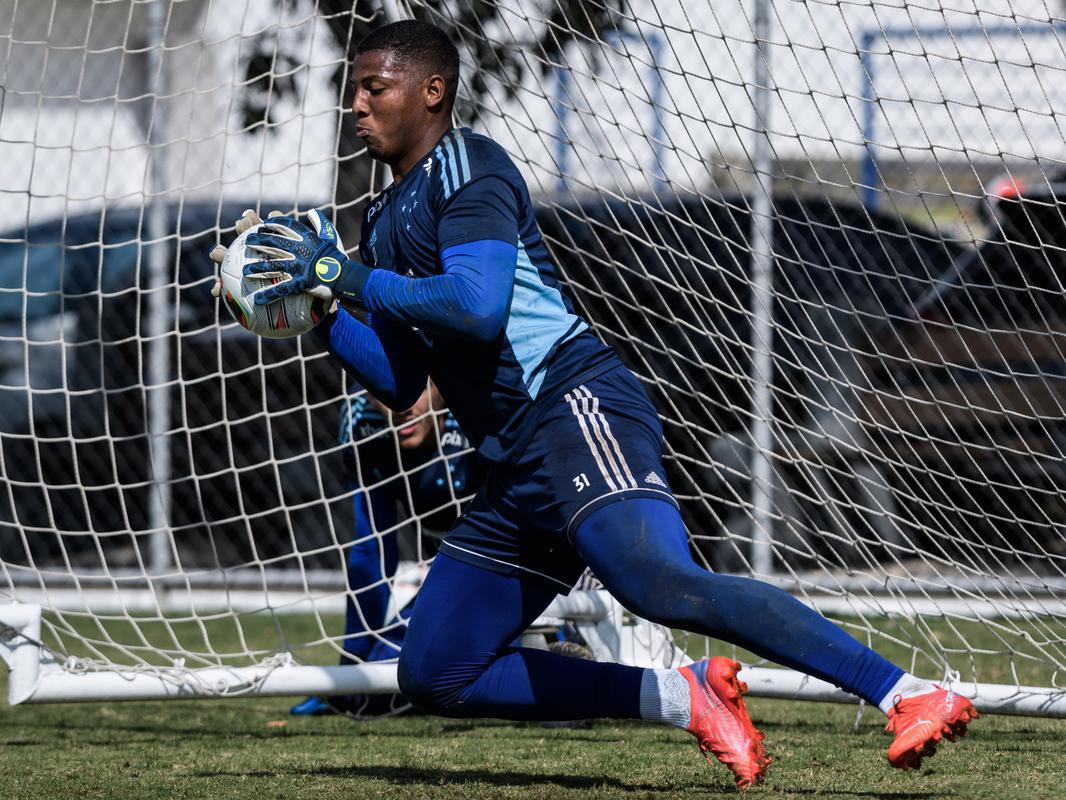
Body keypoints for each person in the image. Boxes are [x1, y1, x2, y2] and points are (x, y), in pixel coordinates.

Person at [225, 20, 978, 789]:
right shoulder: (382, 221)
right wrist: (324, 314)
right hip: (513, 462)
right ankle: (682, 697)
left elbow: (478, 307)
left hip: (574, 408)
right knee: (435, 668)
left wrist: (347, 280)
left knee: (658, 584)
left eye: (372, 87)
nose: (354, 103)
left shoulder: (468, 167)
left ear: (431, 91)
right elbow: (401, 379)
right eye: (354, 88)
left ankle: (908, 692)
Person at [290, 379, 483, 716]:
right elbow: (373, 550)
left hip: (533, 560)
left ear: (441, 384)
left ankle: (558, 634)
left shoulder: (477, 414)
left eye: (416, 387)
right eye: (382, 388)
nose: (401, 403)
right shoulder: (362, 423)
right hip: (453, 574)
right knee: (380, 679)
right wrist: (351, 671)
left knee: (420, 673)